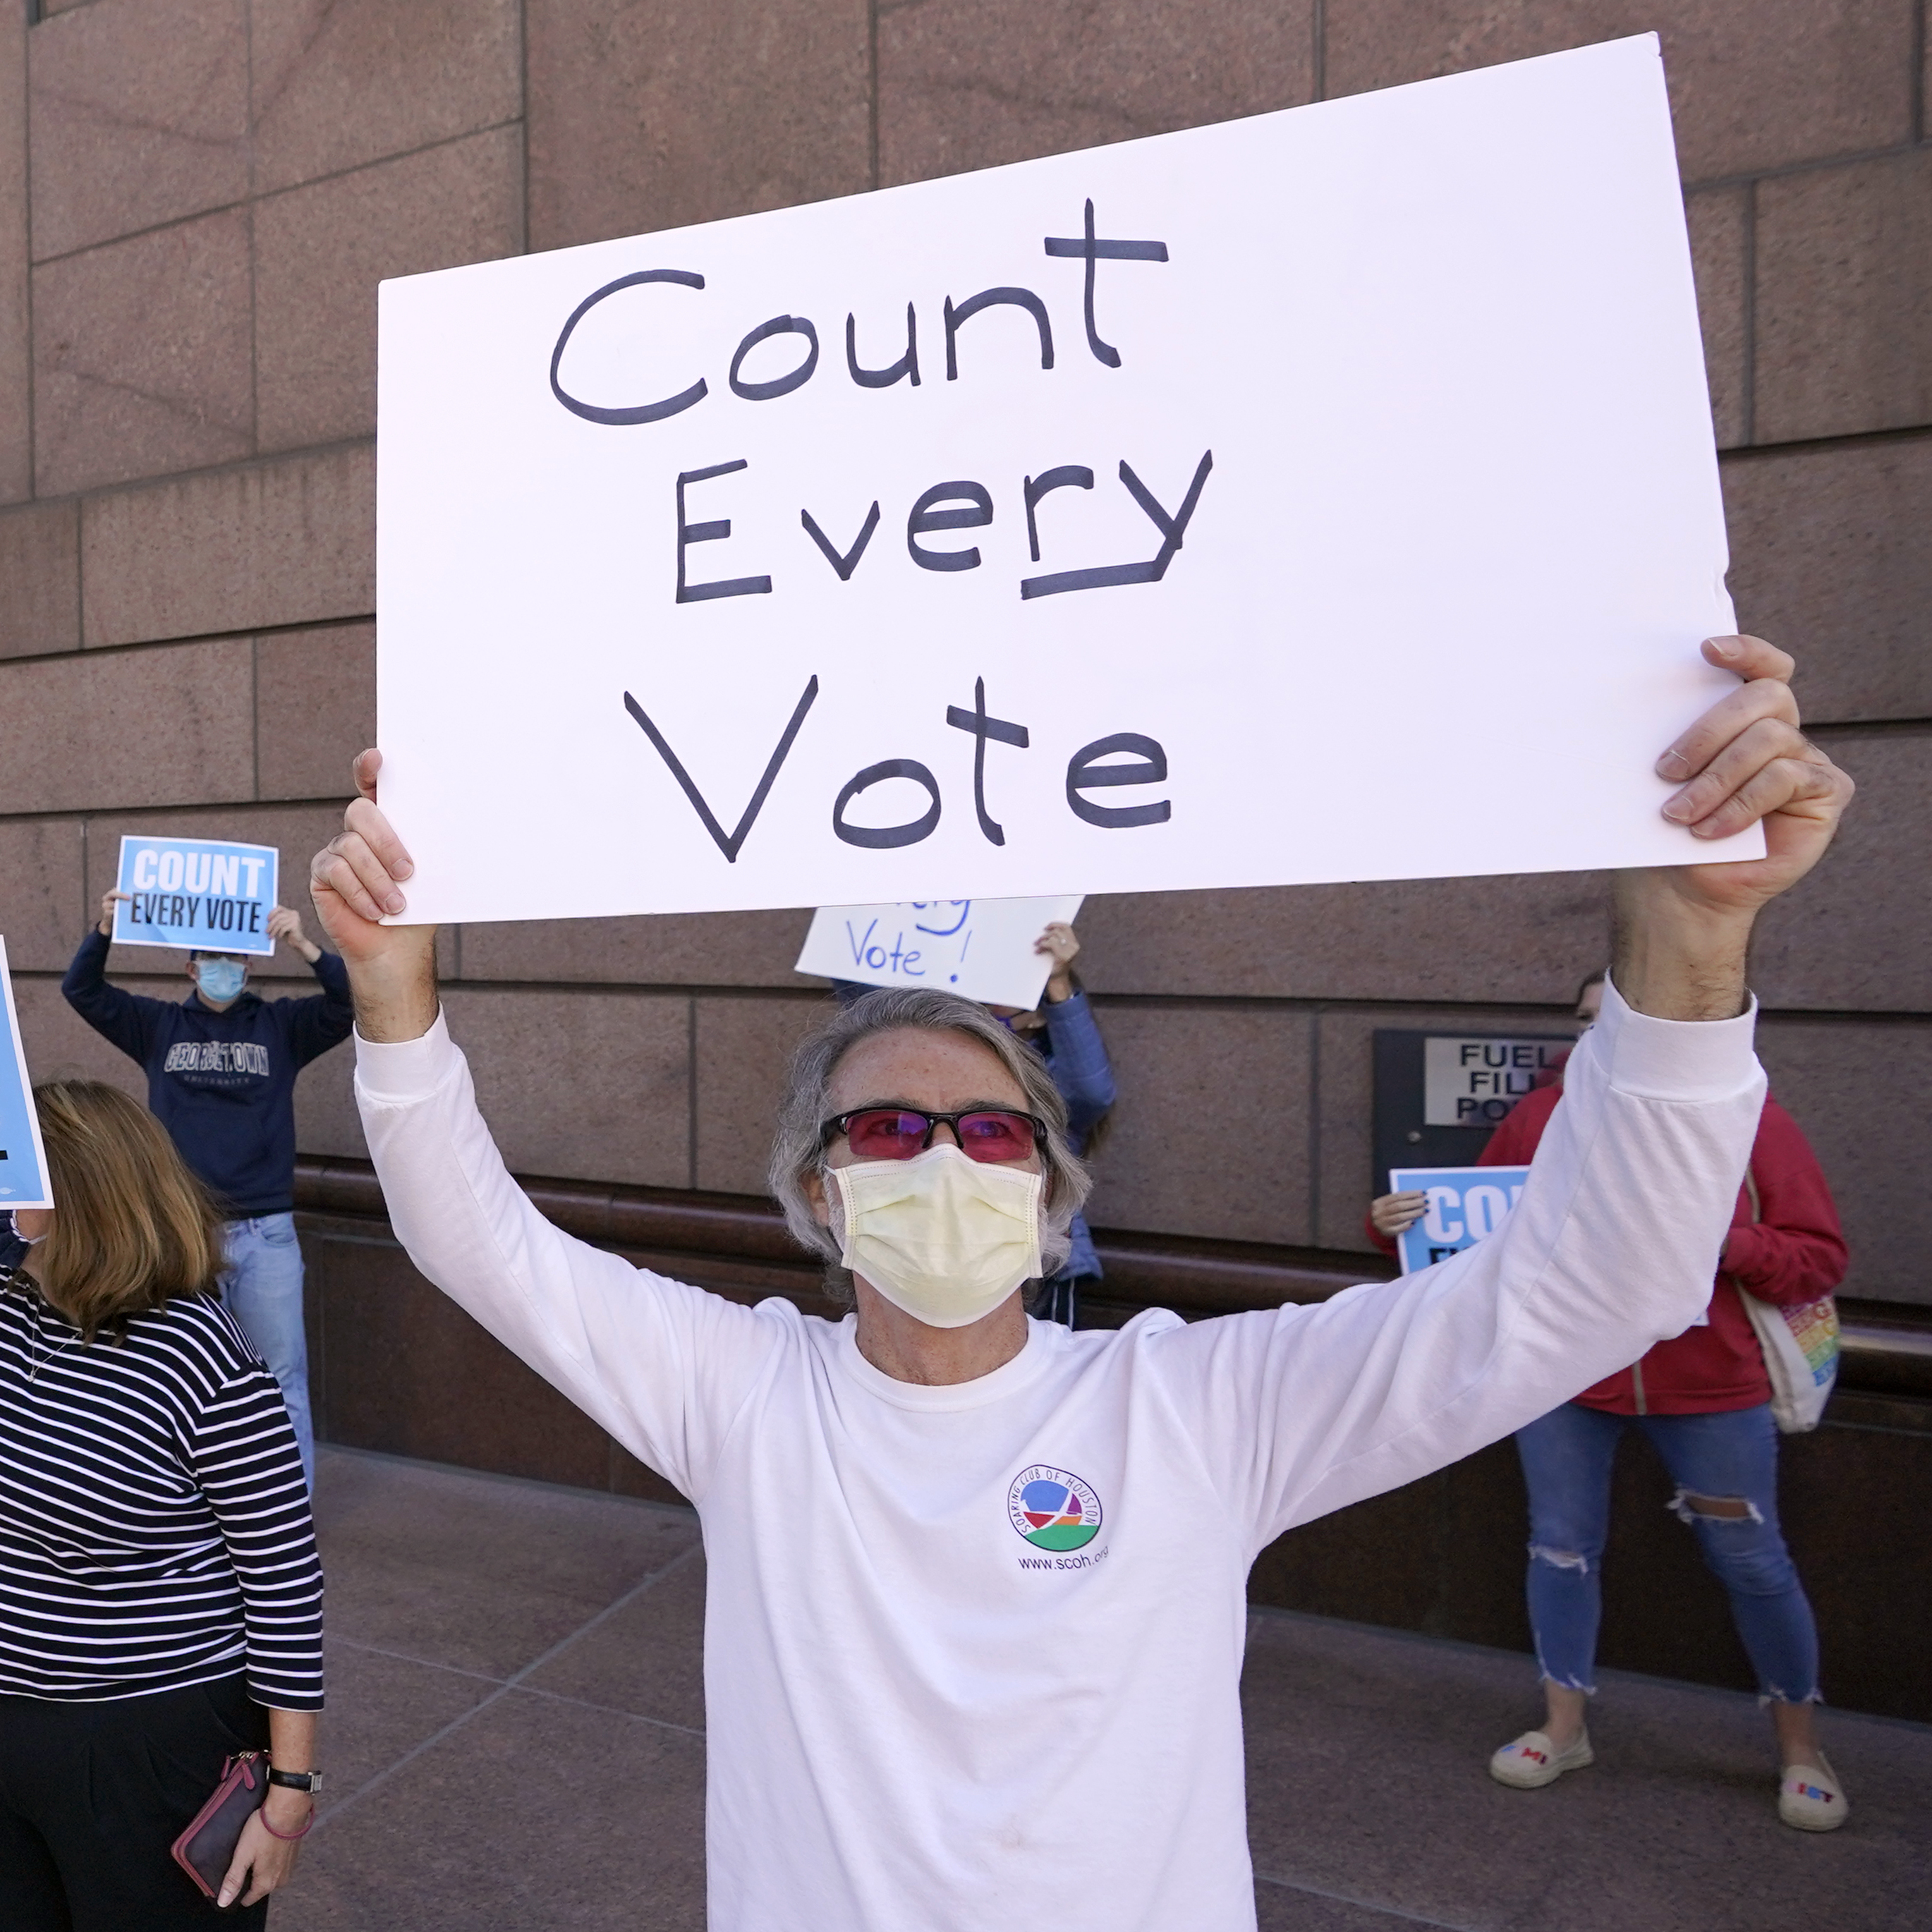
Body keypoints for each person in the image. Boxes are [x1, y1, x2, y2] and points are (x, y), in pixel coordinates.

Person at [311, 634, 1849, 1928]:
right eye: (890, 1126)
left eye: (988, 1129)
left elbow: (1601, 1280)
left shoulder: (1191, 1405)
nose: (943, 1158)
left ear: (1048, 1195)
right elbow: (476, 1238)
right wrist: (395, 995)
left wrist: (1687, 958)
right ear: (816, 1192)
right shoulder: (745, 1396)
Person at [1373, 966, 1851, 1830]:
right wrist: (1403, 1226)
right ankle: (1563, 1728)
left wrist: (1726, 1240)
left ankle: (1800, 1746)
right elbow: (1481, 1241)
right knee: (1560, 1546)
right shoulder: (1538, 1118)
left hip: (1711, 1387)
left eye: (1630, 1021)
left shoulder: (1753, 1123)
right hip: (1565, 1377)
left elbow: (1816, 1257)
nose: (1608, 1039)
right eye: (1594, 1024)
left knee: (1751, 1558)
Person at [0, 1081, 324, 1927]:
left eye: (17, 1167)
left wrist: (289, 1793)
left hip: (150, 1742)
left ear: (75, 1193)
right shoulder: (13, 1309)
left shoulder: (200, 1355)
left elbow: (284, 1582)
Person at [62, 894, 354, 1488]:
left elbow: (351, 1003)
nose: (226, 968)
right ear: (190, 969)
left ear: (251, 967)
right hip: (184, 1231)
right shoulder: (158, 1026)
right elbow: (82, 990)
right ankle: (193, 1499)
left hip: (266, 1233)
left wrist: (305, 944)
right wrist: (104, 931)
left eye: (237, 959)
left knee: (279, 1375)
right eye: (212, 959)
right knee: (179, 1376)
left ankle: (288, 1505)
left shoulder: (281, 1026)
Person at [836, 918, 1117, 1325]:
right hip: (925, 1254)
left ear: (1039, 1016)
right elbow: (867, 1008)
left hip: (1034, 1261)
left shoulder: (1051, 1086)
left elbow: (1091, 1092)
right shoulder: (931, 1063)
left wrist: (1058, 982)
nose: (985, 993)